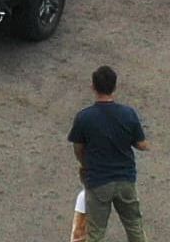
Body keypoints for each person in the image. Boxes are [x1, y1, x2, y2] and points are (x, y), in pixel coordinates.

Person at [68, 65, 147, 242]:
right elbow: (141, 144)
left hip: (98, 182)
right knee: (134, 227)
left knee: (95, 233)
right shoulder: (128, 114)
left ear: (93, 87)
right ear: (114, 87)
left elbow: (78, 148)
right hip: (125, 180)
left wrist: (85, 164)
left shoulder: (84, 117)